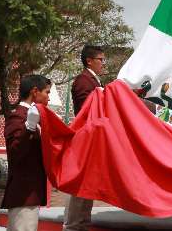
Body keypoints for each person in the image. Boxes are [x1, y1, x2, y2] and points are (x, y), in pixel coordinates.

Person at [1, 74, 52, 231]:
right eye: (47, 92)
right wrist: (28, 127)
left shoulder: (34, 116)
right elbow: (15, 152)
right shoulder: (18, 116)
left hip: (31, 192)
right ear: (35, 91)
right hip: (23, 193)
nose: (48, 98)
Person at [63, 44, 105, 231]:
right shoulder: (83, 80)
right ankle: (73, 225)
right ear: (89, 60)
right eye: (101, 60)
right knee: (80, 185)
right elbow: (86, 109)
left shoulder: (94, 81)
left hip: (93, 138)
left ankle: (82, 223)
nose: (103, 64)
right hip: (85, 137)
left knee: (88, 184)